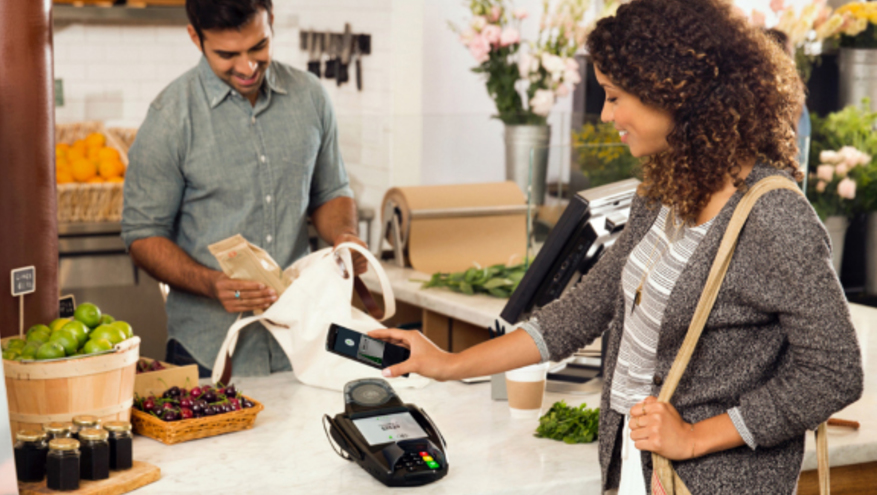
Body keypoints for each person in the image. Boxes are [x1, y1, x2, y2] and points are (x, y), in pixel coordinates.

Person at [369, 1, 864, 493]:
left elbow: (834, 371)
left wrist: (694, 437)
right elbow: (582, 312)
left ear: (673, 93)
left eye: (614, 96)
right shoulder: (666, 188)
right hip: (633, 468)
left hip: (711, 480)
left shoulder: (773, 216)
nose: (606, 114)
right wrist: (447, 362)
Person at [121, 0, 368, 378]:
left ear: (270, 21)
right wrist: (212, 283)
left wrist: (345, 237)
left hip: (304, 342)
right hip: (208, 351)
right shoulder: (169, 119)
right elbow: (142, 236)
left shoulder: (310, 97)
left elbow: (330, 191)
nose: (247, 67)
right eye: (227, 54)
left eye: (258, 47)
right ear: (195, 37)